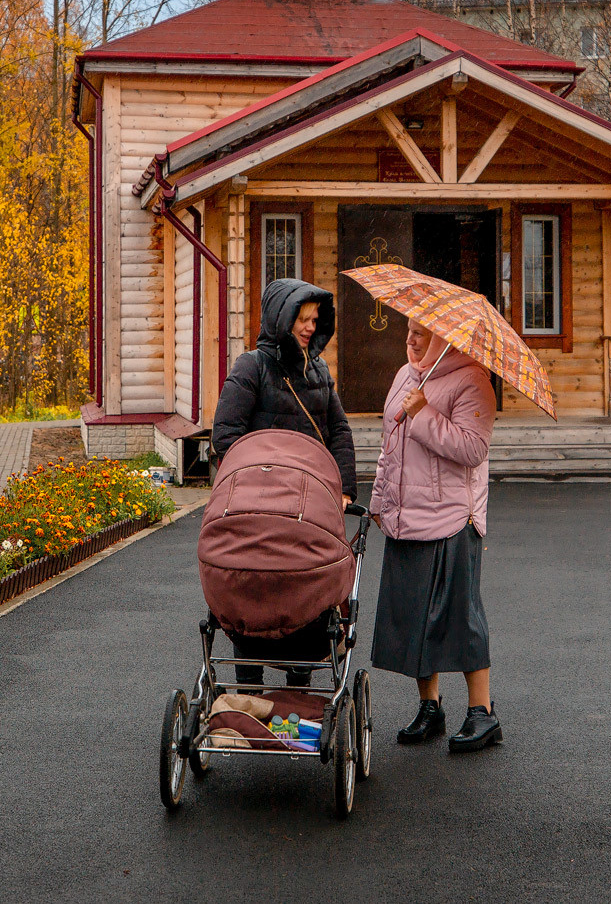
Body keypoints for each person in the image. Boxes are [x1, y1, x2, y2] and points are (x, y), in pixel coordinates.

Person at [210, 277, 356, 685]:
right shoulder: (252, 366)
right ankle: (249, 690)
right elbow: (226, 434)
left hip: (306, 506)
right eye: (301, 318)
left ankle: (299, 692)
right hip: (258, 502)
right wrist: (259, 476)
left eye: (314, 319)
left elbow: (338, 431)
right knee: (254, 584)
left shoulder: (319, 371)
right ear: (281, 318)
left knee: (303, 586)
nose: (310, 327)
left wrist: (343, 488)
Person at [367, 318, 501, 753]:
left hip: (452, 519)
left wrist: (424, 413)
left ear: (442, 339)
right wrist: (379, 501)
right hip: (407, 517)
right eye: (408, 331)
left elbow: (473, 449)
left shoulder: (472, 381)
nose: (409, 339)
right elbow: (390, 447)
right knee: (412, 617)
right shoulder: (405, 376)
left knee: (459, 618)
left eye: (420, 334)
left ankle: (482, 714)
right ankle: (431, 708)